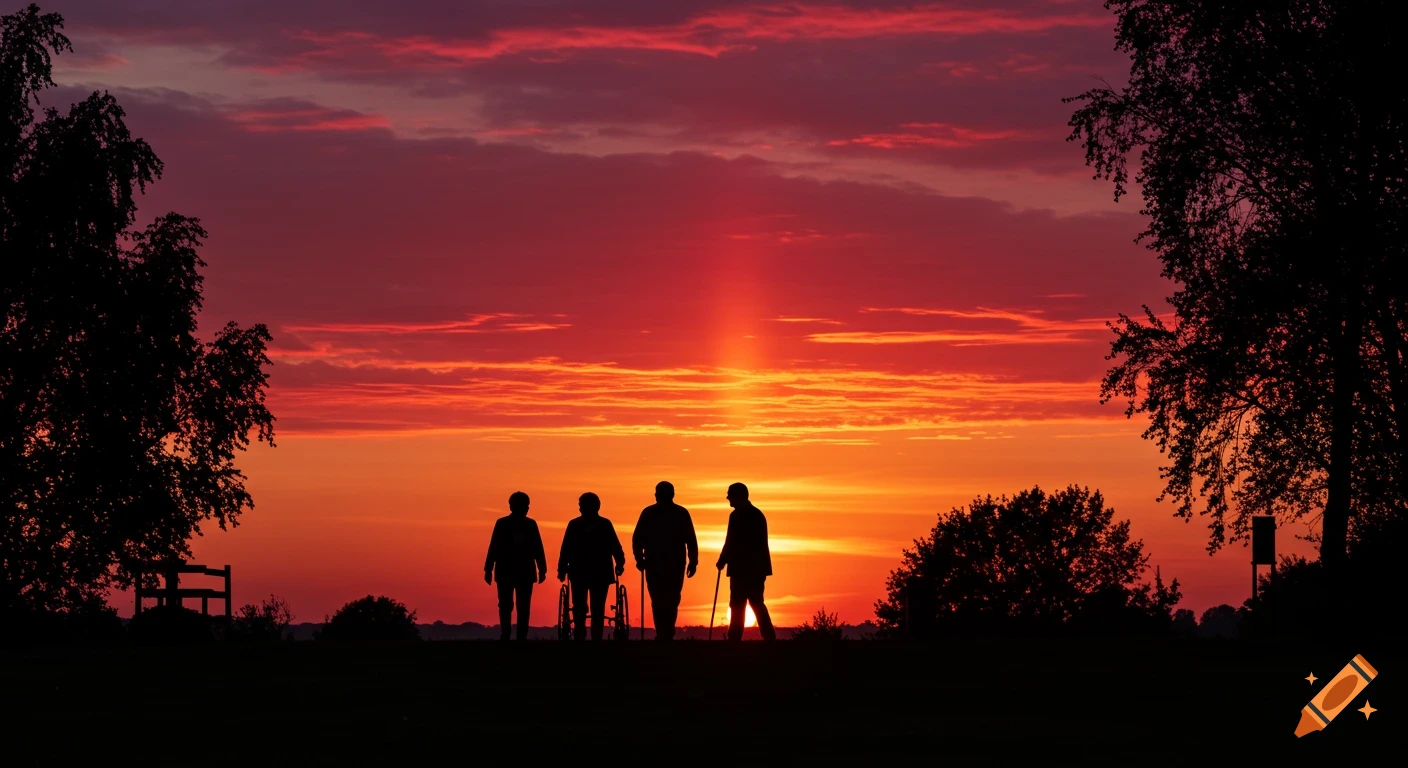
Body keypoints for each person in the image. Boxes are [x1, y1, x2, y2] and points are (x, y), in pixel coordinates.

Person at [632, 481, 698, 640]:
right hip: (673, 563)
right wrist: (693, 561)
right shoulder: (681, 513)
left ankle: (663, 631)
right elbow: (691, 539)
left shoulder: (649, 513)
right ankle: (665, 631)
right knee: (671, 598)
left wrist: (639, 557)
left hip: (656, 562)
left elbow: (637, 538)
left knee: (659, 598)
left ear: (658, 494)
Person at [557, 492, 627, 641]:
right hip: (589, 572)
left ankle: (588, 636)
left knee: (588, 606)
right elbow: (566, 548)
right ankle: (589, 636)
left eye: (582, 505)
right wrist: (620, 563)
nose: (581, 508)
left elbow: (566, 549)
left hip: (587, 572)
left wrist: (562, 569)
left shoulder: (580, 525)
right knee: (589, 606)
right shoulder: (592, 524)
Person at [484, 491, 547, 641]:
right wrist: (488, 568)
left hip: (518, 572)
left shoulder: (528, 524)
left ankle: (519, 635)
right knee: (509, 605)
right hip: (508, 571)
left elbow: (538, 548)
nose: (525, 508)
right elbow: (494, 546)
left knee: (519, 606)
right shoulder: (503, 524)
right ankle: (509, 634)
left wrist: (542, 568)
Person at [717, 482, 775, 641]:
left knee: (743, 603)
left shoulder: (741, 516)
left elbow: (732, 541)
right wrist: (724, 558)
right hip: (752, 568)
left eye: (730, 494)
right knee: (751, 603)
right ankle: (767, 636)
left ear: (738, 496)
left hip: (745, 569)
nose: (727, 497)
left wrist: (723, 559)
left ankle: (737, 638)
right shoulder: (755, 514)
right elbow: (732, 541)